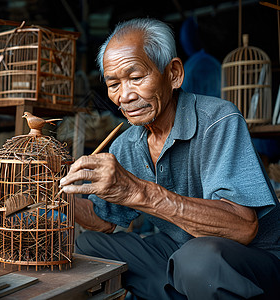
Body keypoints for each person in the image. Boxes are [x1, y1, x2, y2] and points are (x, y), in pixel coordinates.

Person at [59, 18, 280, 299]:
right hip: (182, 251)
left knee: (197, 261)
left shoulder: (218, 120)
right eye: (114, 84)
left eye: (136, 78)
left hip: (249, 258)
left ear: (174, 73)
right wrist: (58, 197)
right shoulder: (126, 142)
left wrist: (140, 192)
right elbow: (105, 220)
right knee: (90, 247)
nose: (124, 96)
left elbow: (243, 227)